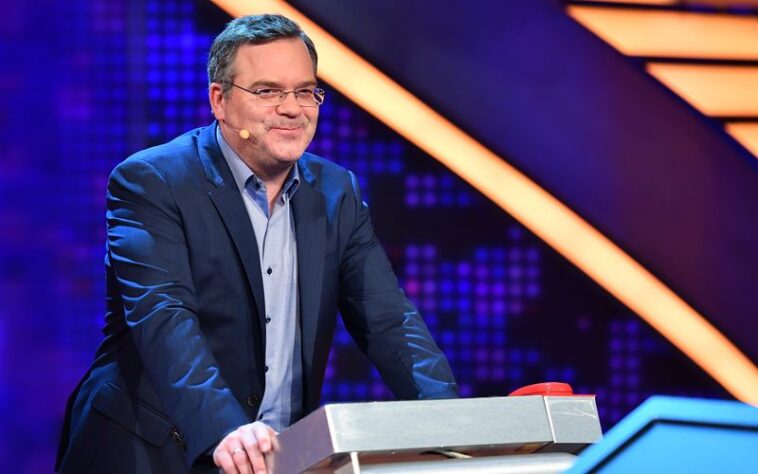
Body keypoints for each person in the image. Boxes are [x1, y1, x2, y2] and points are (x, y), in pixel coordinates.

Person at [56, 13, 458, 474]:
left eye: (305, 91)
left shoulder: (336, 192)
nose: (292, 108)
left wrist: (451, 423)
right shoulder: (152, 182)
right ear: (220, 100)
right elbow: (164, 318)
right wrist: (226, 429)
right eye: (268, 91)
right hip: (151, 451)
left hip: (279, 458)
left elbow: (389, 320)